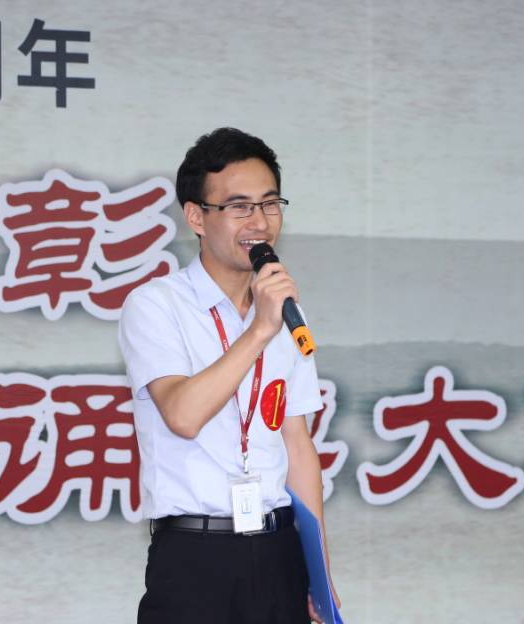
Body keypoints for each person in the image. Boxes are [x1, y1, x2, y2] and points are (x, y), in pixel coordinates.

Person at [118, 127, 339, 623]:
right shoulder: (157, 305)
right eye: (239, 206)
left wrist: (319, 575)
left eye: (270, 204)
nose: (259, 221)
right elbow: (182, 414)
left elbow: (298, 445)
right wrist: (259, 330)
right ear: (196, 216)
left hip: (280, 550)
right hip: (195, 556)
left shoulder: (285, 314)